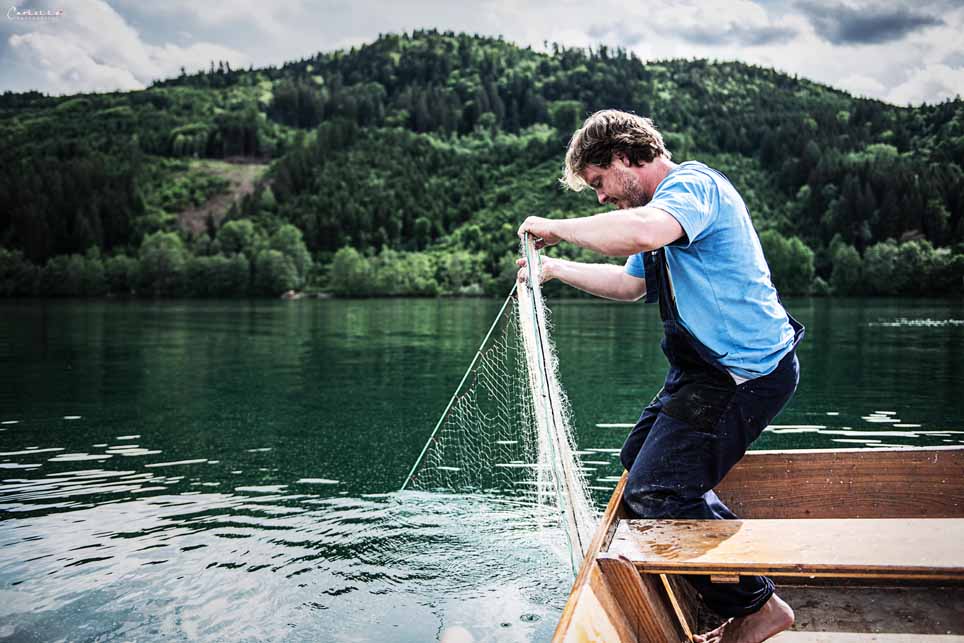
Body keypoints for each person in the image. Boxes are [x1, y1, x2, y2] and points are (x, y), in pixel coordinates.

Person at [516, 109, 803, 643]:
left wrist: (556, 228)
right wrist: (554, 269)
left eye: (600, 182)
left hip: (745, 374)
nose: (601, 197)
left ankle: (760, 607)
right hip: (702, 374)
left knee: (657, 490)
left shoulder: (693, 188)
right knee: (638, 466)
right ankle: (733, 571)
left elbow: (641, 232)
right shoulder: (658, 218)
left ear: (625, 157)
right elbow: (630, 286)